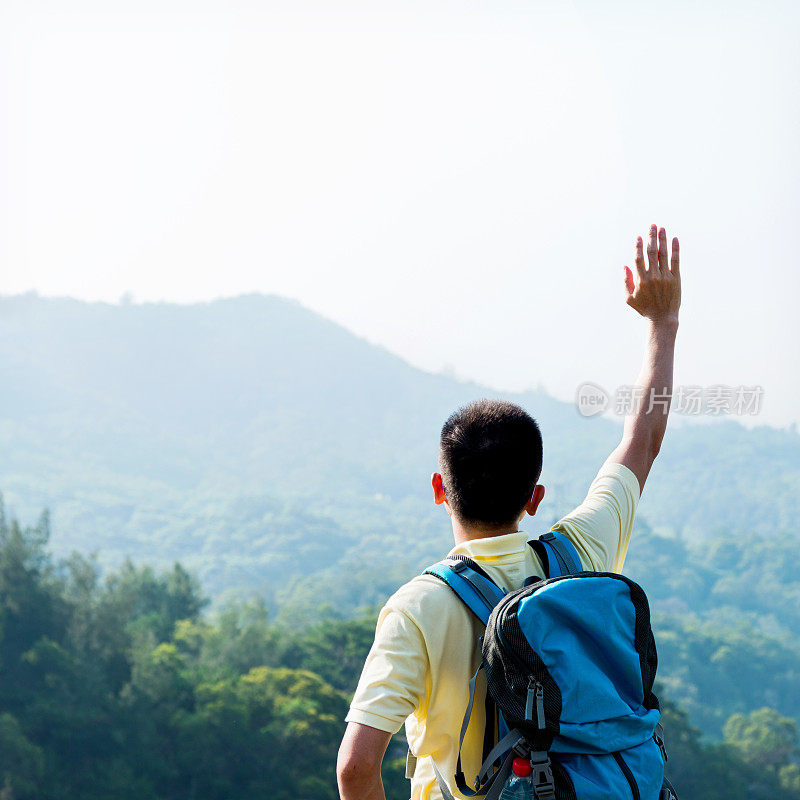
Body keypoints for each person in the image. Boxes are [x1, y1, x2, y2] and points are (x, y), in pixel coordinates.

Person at [337, 225, 682, 800]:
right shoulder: (581, 554)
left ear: (438, 488)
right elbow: (644, 435)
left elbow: (355, 768)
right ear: (535, 498)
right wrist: (662, 323)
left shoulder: (419, 607)